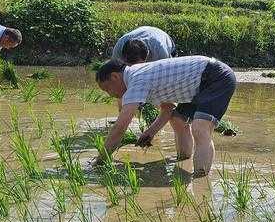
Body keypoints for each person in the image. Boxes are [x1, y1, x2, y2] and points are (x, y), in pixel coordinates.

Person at [94, 55, 237, 176]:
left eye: (107, 89)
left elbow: (120, 127)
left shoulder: (136, 80)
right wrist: (150, 132)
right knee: (177, 119)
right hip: (197, 86)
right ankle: (183, 160)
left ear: (114, 77)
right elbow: (168, 109)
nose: (111, 94)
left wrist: (99, 161)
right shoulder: (140, 75)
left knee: (200, 128)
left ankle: (201, 178)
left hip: (216, 77)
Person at [112, 26, 176, 65]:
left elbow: (165, 72)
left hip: (162, 38)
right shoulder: (119, 47)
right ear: (124, 58)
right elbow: (115, 70)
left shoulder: (161, 51)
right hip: (146, 32)